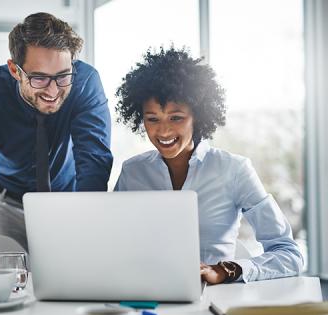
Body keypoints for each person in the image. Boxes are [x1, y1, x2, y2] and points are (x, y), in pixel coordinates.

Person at [114, 47, 303, 284]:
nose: (163, 131)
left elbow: (290, 254)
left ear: (199, 117)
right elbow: (114, 244)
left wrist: (226, 270)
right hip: (145, 293)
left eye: (176, 118)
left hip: (213, 301)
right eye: (152, 119)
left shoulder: (234, 170)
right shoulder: (133, 172)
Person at [0, 12, 113, 271]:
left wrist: (85, 227)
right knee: (15, 288)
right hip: (9, 203)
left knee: (72, 279)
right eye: (39, 78)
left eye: (63, 76)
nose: (53, 91)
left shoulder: (85, 82)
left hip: (70, 201)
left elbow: (94, 161)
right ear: (14, 70)